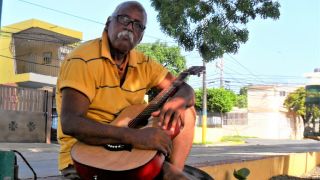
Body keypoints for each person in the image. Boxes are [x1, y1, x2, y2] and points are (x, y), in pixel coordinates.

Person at [56, 1, 196, 179]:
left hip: (129, 153)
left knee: (186, 110)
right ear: (108, 23)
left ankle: (170, 169)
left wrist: (178, 101)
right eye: (124, 19)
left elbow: (184, 88)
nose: (130, 28)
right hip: (85, 159)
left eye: (138, 25)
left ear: (141, 35)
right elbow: (71, 122)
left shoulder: (143, 63)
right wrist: (135, 137)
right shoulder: (82, 60)